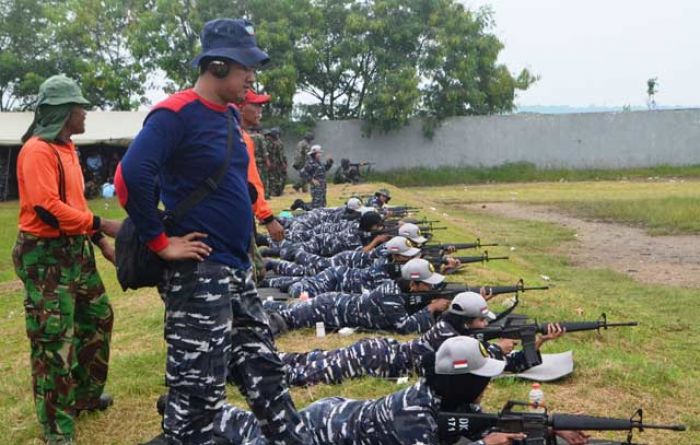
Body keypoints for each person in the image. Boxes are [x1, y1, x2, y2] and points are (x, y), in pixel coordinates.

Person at [115, 18, 310, 445]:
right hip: (200, 277)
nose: (252, 77)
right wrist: (161, 243)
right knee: (199, 395)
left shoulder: (229, 119)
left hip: (236, 272)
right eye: (246, 68)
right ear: (218, 66)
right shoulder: (175, 114)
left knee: (265, 373)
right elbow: (131, 177)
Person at [12, 74, 121, 445]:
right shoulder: (37, 150)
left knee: (98, 318)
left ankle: (84, 396)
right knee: (54, 340)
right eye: (80, 107)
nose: (85, 113)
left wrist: (99, 240)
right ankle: (57, 427)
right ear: (62, 112)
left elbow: (74, 204)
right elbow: (48, 210)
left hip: (76, 250)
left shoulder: (67, 149)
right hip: (46, 257)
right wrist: (104, 222)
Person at [212, 336, 546, 445]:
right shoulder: (413, 415)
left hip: (341, 412)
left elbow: (472, 422)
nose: (486, 386)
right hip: (319, 433)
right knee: (250, 432)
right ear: (463, 383)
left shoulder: (442, 396)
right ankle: (196, 411)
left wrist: (541, 428)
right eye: (481, 379)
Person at [265, 128, 287, 196]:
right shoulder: (278, 143)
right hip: (277, 163)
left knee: (271, 178)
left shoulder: (268, 142)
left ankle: (271, 192)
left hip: (270, 162)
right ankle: (276, 192)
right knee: (278, 178)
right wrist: (283, 163)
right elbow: (280, 155)